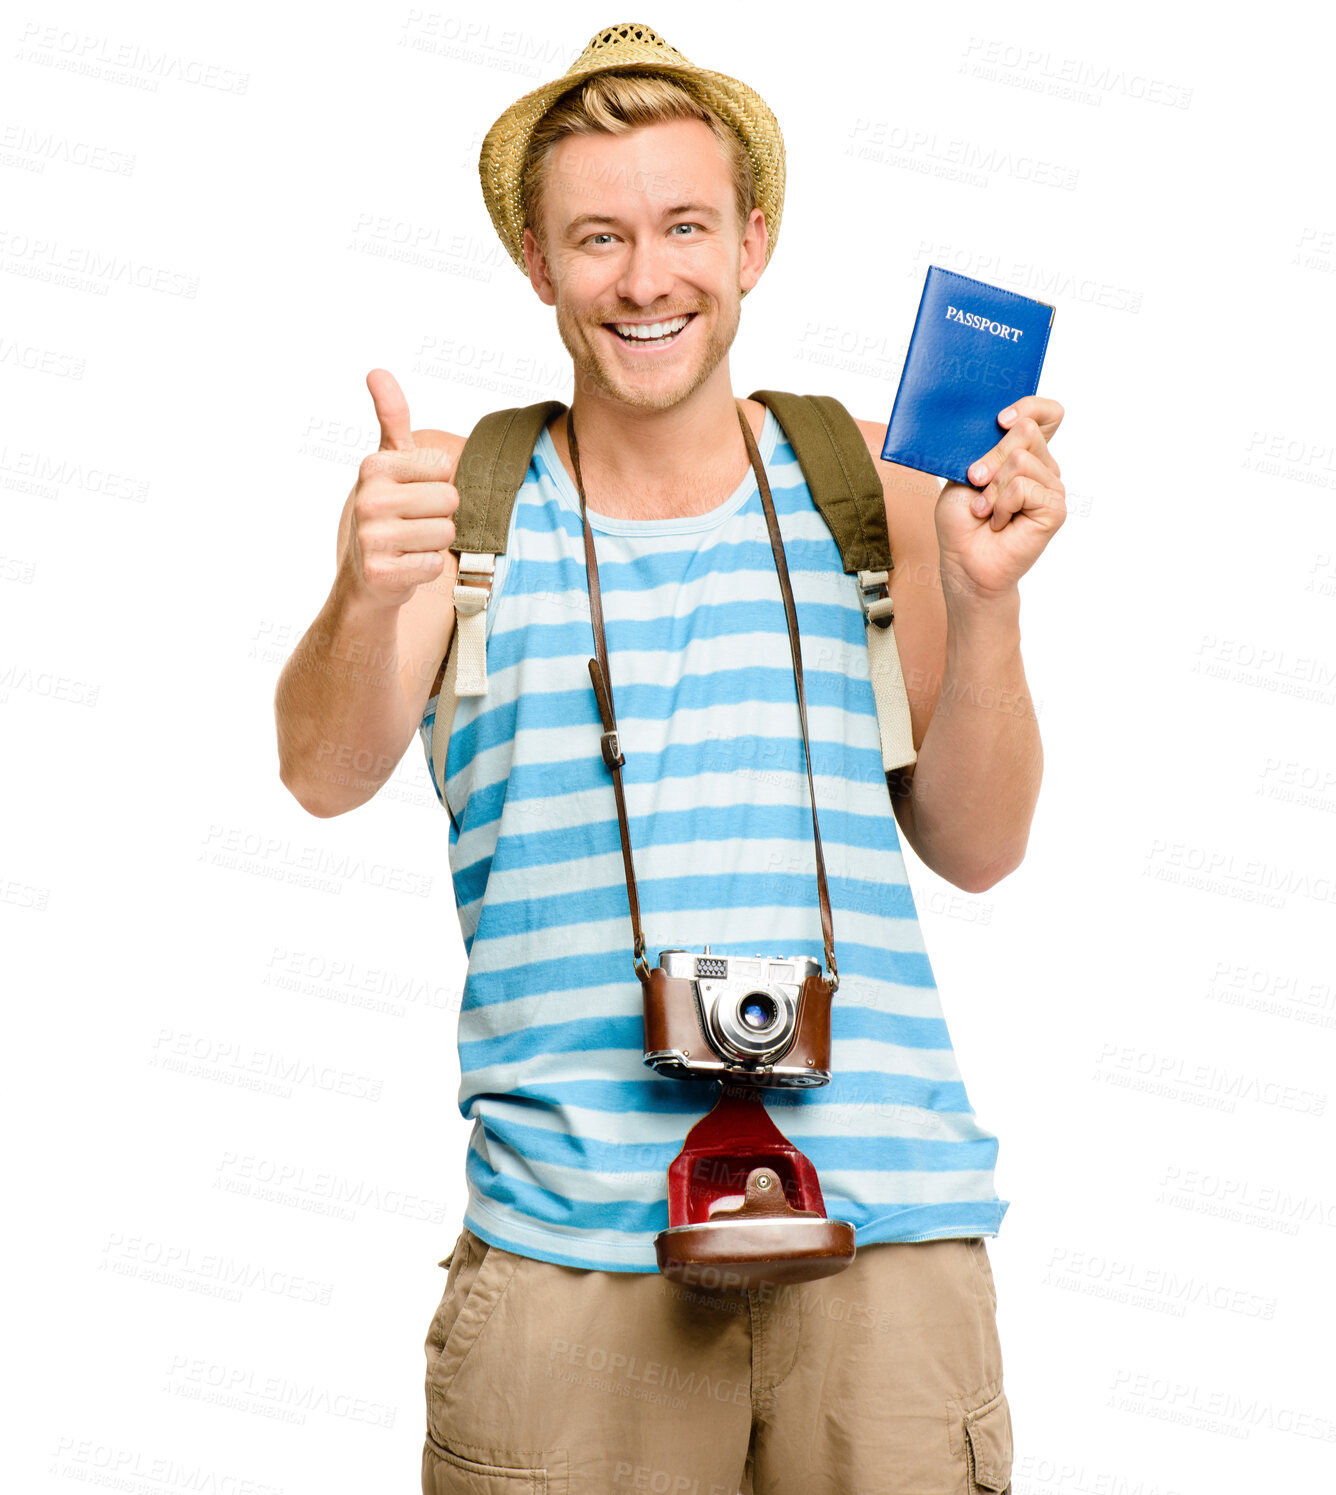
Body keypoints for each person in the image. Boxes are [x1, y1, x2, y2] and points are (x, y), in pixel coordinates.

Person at [274, 21, 1065, 1495]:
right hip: (572, 1257)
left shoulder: (872, 490)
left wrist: (989, 601)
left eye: (685, 225)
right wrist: (366, 590)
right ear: (536, 261)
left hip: (885, 1239)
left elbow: (978, 842)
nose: (646, 280)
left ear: (754, 239)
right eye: (599, 237)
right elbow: (320, 773)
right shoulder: (455, 507)